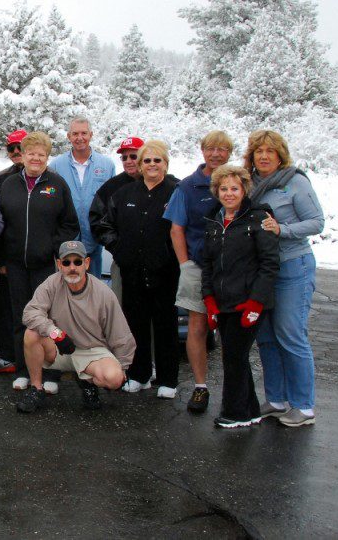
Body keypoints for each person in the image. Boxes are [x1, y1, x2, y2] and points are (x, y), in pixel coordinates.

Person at [245, 130, 324, 428]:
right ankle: (276, 399)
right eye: (259, 151)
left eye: (270, 151)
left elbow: (316, 222)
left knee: (290, 333)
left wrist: (283, 230)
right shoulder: (249, 183)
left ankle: (303, 406)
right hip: (262, 270)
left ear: (281, 155)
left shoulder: (295, 182)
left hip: (293, 265)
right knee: (265, 336)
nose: (264, 156)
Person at [95, 140, 180, 399]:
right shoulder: (124, 193)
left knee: (165, 325)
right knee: (135, 324)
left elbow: (186, 228)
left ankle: (168, 379)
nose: (152, 165)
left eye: (157, 160)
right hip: (132, 270)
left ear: (166, 163)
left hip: (165, 271)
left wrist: (171, 255)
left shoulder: (177, 192)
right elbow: (104, 225)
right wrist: (119, 249)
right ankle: (139, 375)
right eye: (147, 160)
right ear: (140, 166)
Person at [0, 131, 80, 393]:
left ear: (47, 157)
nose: (35, 158)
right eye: (31, 153)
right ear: (22, 155)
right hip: (15, 265)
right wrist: (1, 259)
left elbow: (70, 224)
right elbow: (0, 223)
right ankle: (23, 370)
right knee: (21, 318)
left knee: (49, 319)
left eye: (41, 154)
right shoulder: (9, 184)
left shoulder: (57, 185)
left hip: (46, 265)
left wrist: (56, 252)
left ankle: (51, 372)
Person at [200, 165, 279, 428]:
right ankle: (250, 409)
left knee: (234, 356)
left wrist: (256, 302)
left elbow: (270, 264)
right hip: (223, 302)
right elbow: (208, 264)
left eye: (234, 188)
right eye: (224, 188)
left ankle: (234, 412)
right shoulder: (214, 220)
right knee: (235, 355)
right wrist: (209, 299)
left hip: (247, 301)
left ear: (244, 189)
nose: (229, 193)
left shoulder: (259, 218)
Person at [16, 241, 136, 414]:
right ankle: (36, 389)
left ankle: (87, 382)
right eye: (66, 262)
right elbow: (30, 313)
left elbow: (120, 333)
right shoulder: (51, 284)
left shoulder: (104, 293)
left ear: (86, 263)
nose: (72, 268)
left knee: (114, 378)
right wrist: (55, 333)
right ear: (59, 265)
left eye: (77, 262)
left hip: (91, 351)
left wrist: (123, 367)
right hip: (59, 347)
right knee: (31, 334)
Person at [162, 131, 233, 413]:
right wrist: (185, 265)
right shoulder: (187, 187)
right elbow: (176, 228)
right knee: (197, 326)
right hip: (198, 267)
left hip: (234, 270)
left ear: (230, 153)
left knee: (233, 329)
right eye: (211, 148)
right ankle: (200, 387)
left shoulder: (238, 182)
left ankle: (235, 390)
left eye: (222, 149)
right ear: (202, 151)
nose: (216, 154)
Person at [51, 118, 116, 280]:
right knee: (65, 282)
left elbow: (111, 202)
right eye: (75, 134)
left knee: (93, 284)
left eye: (84, 133)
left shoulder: (106, 165)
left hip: (94, 237)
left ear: (91, 135)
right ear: (69, 136)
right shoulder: (56, 165)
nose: (79, 138)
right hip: (65, 239)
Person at [0, 128, 27, 375]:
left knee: (36, 310)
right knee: (3, 309)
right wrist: (0, 259)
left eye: (21, 147)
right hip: (9, 257)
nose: (16, 152)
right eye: (12, 148)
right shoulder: (1, 180)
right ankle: (7, 356)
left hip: (39, 258)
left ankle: (36, 358)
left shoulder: (52, 179)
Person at [88, 136, 143, 302]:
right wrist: (117, 246)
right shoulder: (112, 187)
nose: (128, 161)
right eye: (124, 157)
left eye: (133, 156)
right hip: (123, 262)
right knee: (121, 307)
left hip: (157, 264)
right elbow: (97, 219)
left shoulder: (162, 183)